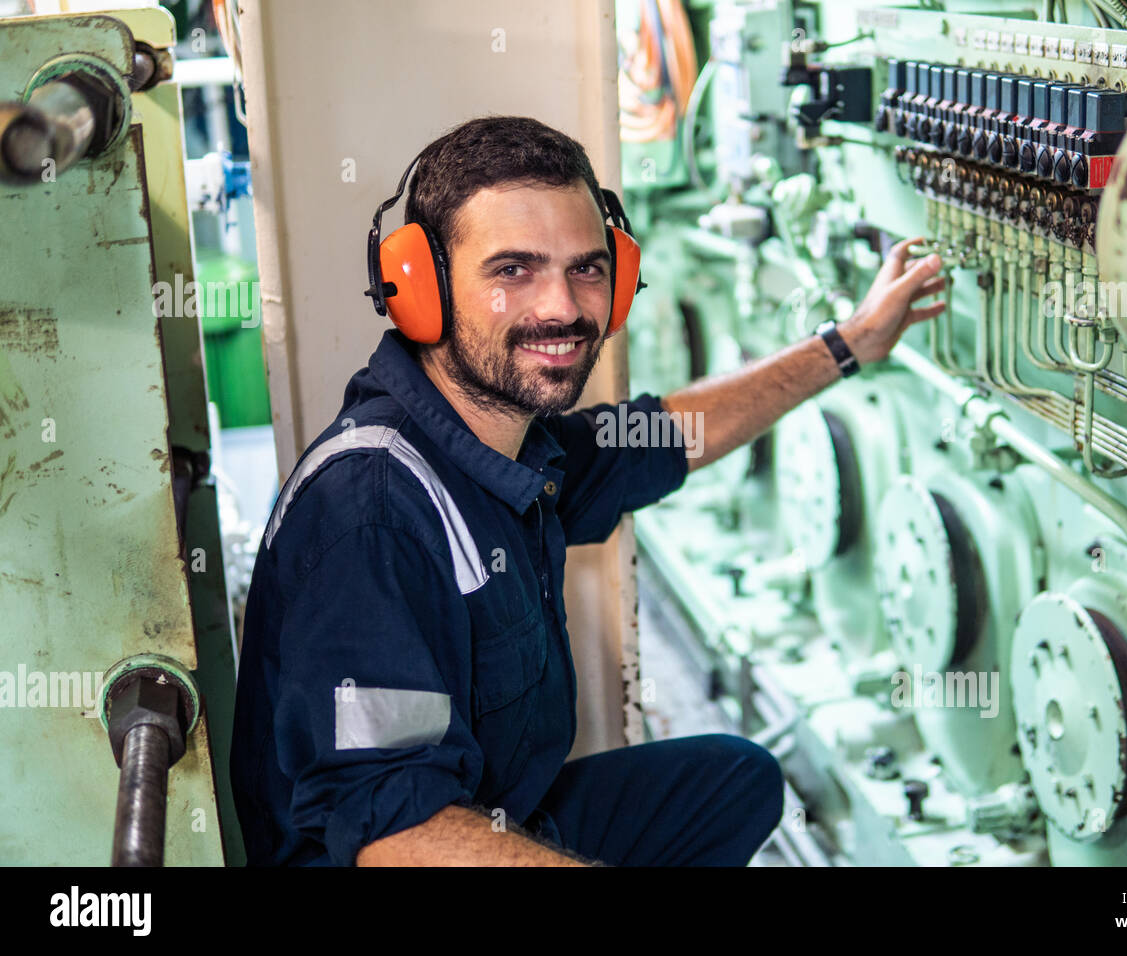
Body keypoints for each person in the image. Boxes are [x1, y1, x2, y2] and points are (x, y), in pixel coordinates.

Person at [230, 115, 944, 866]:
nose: (564, 309)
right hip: (405, 848)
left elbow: (662, 437)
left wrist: (846, 346)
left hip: (499, 810)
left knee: (736, 781)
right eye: (513, 271)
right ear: (420, 289)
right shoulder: (372, 511)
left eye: (587, 268)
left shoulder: (507, 444)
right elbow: (395, 835)